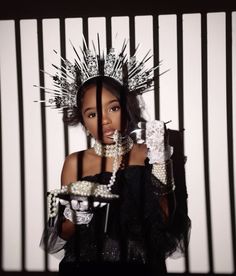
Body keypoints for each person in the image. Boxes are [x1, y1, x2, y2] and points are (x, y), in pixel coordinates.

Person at [40, 39, 191, 276]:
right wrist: (75, 213)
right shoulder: (75, 162)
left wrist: (162, 161)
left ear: (127, 107)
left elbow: (166, 220)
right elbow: (62, 233)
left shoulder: (148, 153)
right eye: (92, 113)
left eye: (113, 108)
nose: (104, 120)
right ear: (83, 121)